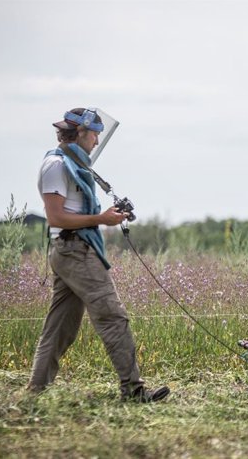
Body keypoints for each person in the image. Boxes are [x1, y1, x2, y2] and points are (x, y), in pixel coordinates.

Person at [27, 107, 169, 403]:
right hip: (75, 251)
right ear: (80, 133)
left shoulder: (75, 163)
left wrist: (108, 216)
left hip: (74, 250)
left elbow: (77, 211)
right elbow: (56, 218)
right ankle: (133, 391)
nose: (97, 140)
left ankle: (36, 391)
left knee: (60, 328)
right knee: (113, 317)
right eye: (94, 134)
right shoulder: (56, 165)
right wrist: (102, 219)